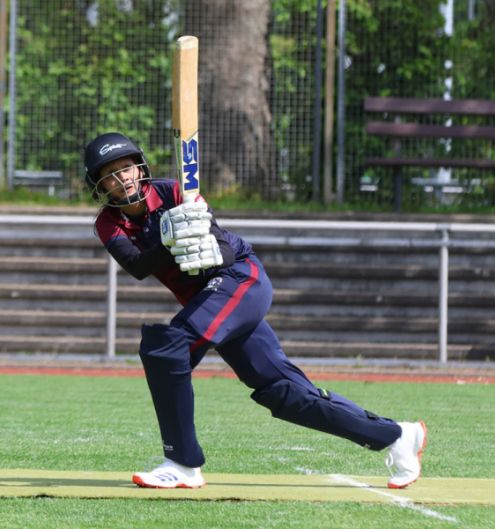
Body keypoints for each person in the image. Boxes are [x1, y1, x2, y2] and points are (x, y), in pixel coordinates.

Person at [83, 132, 427, 490]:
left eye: (128, 167)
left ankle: (182, 463)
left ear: (141, 168)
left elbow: (227, 253)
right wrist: (170, 242)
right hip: (209, 304)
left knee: (166, 348)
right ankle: (397, 436)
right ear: (99, 185)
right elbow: (137, 266)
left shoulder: (175, 192)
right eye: (111, 173)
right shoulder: (108, 223)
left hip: (239, 280)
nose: (122, 177)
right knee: (284, 394)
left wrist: (196, 232)